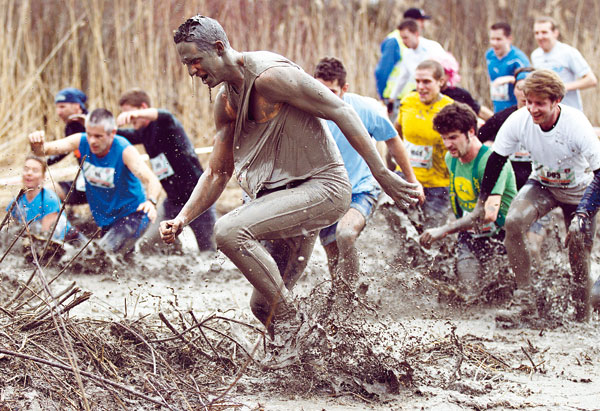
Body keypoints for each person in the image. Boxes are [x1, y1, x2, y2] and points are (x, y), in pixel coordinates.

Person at [160, 15, 419, 338]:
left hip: (323, 189)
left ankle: (295, 324)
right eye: (186, 64)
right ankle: (309, 355)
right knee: (262, 306)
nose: (191, 71)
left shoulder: (271, 76)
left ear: (218, 47)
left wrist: (382, 173)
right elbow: (217, 171)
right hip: (282, 200)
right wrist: (183, 218)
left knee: (227, 231)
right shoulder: (226, 102)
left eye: (195, 61)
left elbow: (341, 110)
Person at [477, 69, 600, 324]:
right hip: (543, 185)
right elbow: (496, 160)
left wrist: (583, 212)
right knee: (513, 221)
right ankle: (525, 300)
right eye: (529, 101)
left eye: (540, 104)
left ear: (556, 102)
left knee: (578, 248)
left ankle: (581, 317)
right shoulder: (518, 119)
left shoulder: (576, 124)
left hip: (580, 192)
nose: (532, 109)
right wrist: (484, 200)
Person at [313, 57, 424, 289]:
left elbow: (393, 140)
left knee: (345, 234)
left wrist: (412, 181)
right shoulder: (307, 109)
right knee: (332, 256)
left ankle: (351, 294)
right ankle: (344, 302)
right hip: (325, 193)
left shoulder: (363, 108)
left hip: (361, 189)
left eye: (331, 91)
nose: (324, 97)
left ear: (345, 88)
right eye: (318, 89)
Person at [29, 108, 163, 255]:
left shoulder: (124, 150)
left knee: (98, 257)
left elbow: (152, 180)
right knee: (115, 262)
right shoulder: (81, 140)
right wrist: (37, 143)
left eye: (98, 136)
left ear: (112, 133)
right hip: (106, 220)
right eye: (90, 135)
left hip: (132, 216)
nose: (92, 141)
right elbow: (44, 150)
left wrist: (151, 202)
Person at [419, 103, 516, 301]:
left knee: (502, 298)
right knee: (467, 295)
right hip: (470, 237)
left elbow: (488, 214)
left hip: (501, 236)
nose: (447, 144)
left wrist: (443, 230)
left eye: (453, 137)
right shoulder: (450, 158)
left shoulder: (491, 162)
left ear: (471, 132)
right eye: (444, 138)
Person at [116, 88, 216, 252]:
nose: (129, 119)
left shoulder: (166, 124)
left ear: (143, 107)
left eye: (129, 113)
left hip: (198, 198)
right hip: (172, 201)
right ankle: (178, 254)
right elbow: (121, 134)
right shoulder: (144, 133)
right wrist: (91, 124)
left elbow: (165, 114)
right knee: (148, 245)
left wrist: (136, 115)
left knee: (210, 250)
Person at [396, 59, 454, 227]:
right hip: (406, 179)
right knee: (397, 230)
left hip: (438, 186)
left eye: (427, 82)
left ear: (441, 82)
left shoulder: (449, 108)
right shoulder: (407, 102)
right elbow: (396, 134)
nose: (420, 87)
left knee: (431, 240)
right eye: (418, 81)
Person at [31, 88, 89, 205]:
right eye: (57, 107)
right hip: (85, 182)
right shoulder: (71, 127)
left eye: (62, 107)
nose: (58, 112)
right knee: (47, 190)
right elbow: (64, 150)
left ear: (77, 106)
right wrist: (43, 162)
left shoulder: (95, 123)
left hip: (107, 184)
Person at [7, 155, 81, 243]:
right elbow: (10, 229)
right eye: (26, 169)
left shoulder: (49, 199)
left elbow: (44, 237)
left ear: (43, 177)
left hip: (70, 241)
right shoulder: (17, 201)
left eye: (35, 170)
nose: (29, 173)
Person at [531, 16, 597, 111]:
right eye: (536, 33)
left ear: (555, 33)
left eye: (544, 32)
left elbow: (591, 80)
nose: (540, 37)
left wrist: (562, 87)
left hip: (570, 110)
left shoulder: (568, 52)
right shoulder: (535, 55)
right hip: (548, 112)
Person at [374, 8, 431, 105]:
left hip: (412, 96)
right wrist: (383, 96)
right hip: (396, 98)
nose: (422, 25)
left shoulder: (422, 43)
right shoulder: (393, 41)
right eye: (420, 21)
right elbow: (382, 71)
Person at [387, 18, 445, 106]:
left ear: (416, 34)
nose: (404, 42)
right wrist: (392, 98)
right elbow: (403, 77)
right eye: (402, 38)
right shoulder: (407, 53)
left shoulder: (433, 47)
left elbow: (446, 74)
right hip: (421, 94)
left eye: (406, 38)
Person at [486, 22, 530, 113]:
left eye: (499, 39)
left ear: (509, 39)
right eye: (492, 39)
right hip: (497, 107)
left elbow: (527, 82)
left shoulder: (518, 58)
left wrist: (508, 79)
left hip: (514, 109)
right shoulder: (489, 55)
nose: (494, 43)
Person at [436, 52, 493, 121]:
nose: (440, 77)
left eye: (444, 73)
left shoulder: (459, 93)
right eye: (437, 73)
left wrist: (498, 121)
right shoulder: (424, 94)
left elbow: (480, 111)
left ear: (450, 73)